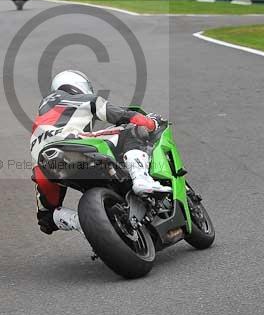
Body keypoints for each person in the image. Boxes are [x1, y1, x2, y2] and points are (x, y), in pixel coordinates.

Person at [30, 70, 171, 234]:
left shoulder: (41, 119)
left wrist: (46, 214)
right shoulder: (73, 99)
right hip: (72, 143)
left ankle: (81, 223)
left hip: (44, 163)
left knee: (47, 217)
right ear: (80, 85)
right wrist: (149, 122)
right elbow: (112, 111)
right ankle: (141, 178)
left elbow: (44, 206)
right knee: (131, 130)